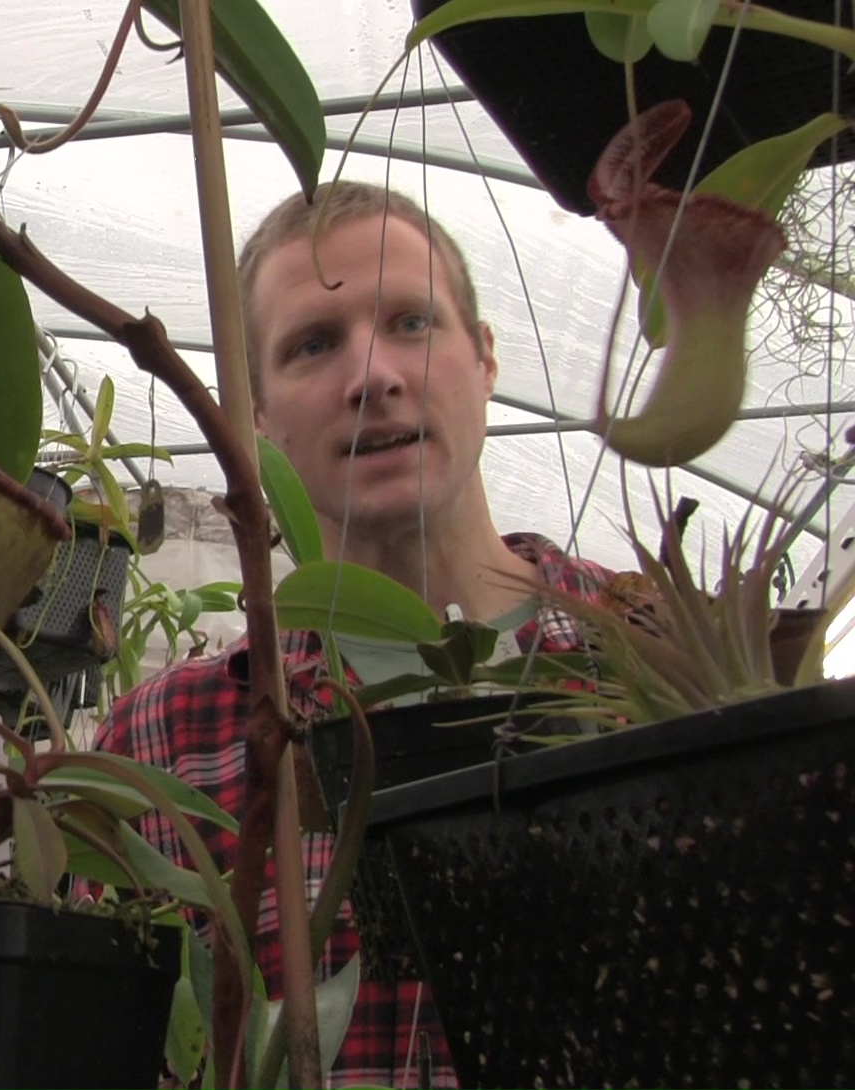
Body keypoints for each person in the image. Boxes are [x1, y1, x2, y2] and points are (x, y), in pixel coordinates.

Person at [94, 181, 615, 1088]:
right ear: (257, 416)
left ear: (486, 358)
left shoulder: (649, 660)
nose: (372, 375)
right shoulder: (164, 748)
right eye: (314, 344)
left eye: (412, 322)